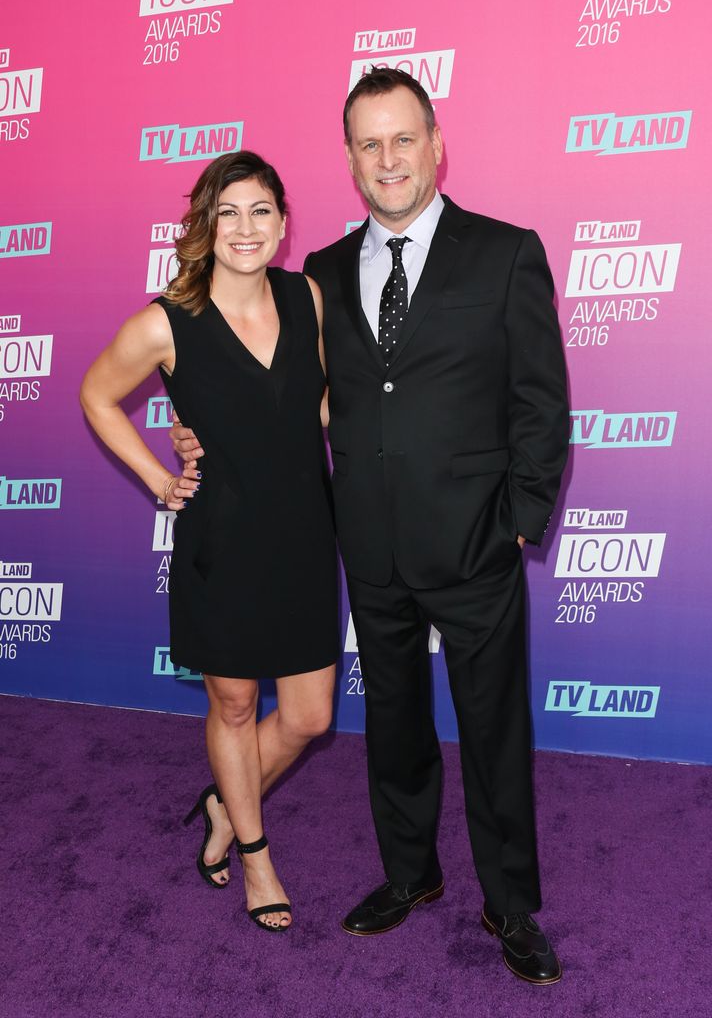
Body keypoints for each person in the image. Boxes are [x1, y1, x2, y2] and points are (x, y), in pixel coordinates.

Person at [173, 68, 569, 982]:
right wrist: (193, 429)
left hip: (476, 541)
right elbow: (268, 385)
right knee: (393, 723)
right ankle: (410, 876)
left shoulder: (506, 253)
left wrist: (519, 522)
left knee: (493, 731)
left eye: (403, 139)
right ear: (349, 161)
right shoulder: (315, 277)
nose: (387, 159)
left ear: (435, 145)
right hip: (365, 544)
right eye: (368, 144)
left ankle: (510, 905)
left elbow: (541, 405)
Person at [80, 151, 338, 933]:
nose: (246, 228)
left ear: (284, 224)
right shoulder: (167, 320)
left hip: (302, 530)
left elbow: (317, 406)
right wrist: (162, 479)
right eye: (228, 212)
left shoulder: (308, 298)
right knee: (233, 704)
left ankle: (222, 803)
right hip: (220, 538)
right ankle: (252, 850)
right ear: (204, 225)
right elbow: (97, 393)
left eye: (261, 210)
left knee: (309, 716)